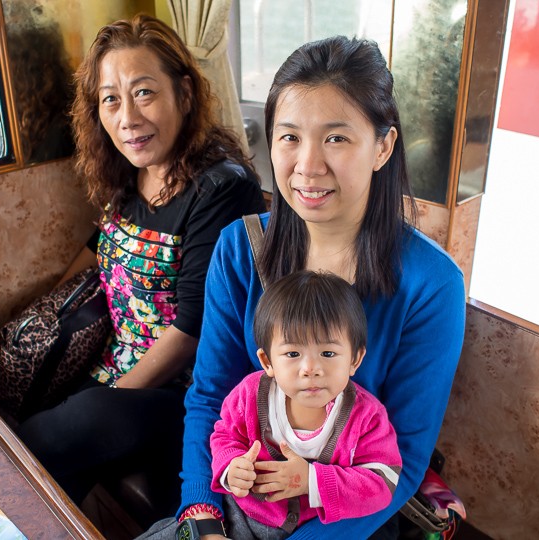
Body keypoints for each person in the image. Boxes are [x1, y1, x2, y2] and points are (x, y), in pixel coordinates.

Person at [141, 35, 465, 539]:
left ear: (383, 146)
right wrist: (202, 518)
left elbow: (403, 462)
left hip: (346, 515)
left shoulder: (431, 285)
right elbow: (210, 397)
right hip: (240, 504)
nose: (307, 165)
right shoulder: (240, 248)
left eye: (336, 138)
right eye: (289, 137)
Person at [16, 13, 266, 510]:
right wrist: (45, 317)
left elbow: (192, 328)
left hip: (187, 394)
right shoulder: (133, 172)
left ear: (186, 94)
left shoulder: (222, 187)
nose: (127, 117)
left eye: (144, 92)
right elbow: (99, 245)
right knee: (45, 461)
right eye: (111, 98)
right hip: (117, 367)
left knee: (69, 426)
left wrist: (108, 395)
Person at [210, 270, 402, 539]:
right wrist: (231, 469)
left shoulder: (367, 417)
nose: (310, 369)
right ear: (267, 362)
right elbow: (224, 437)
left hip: (317, 530)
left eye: (328, 353)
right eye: (292, 353)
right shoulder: (249, 395)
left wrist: (311, 481)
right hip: (241, 515)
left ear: (355, 359)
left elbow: (382, 484)